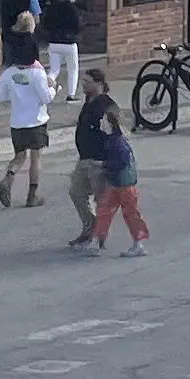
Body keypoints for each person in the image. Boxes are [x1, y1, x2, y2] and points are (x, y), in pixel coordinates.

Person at [0, 15, 54, 208]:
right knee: (36, 157)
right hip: (36, 120)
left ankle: (8, 177)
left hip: (17, 121)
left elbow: (0, 97)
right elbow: (46, 98)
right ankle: (32, 195)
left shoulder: (9, 73)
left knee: (20, 156)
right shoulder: (37, 73)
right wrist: (54, 88)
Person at [66, 69, 119, 249]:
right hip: (84, 159)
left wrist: (110, 161)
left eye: (87, 82)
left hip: (99, 161)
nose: (83, 84)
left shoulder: (107, 105)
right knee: (77, 193)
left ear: (99, 84)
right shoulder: (89, 101)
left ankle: (100, 236)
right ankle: (90, 227)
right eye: (83, 81)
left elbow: (115, 135)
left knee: (101, 199)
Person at [85, 108, 149, 258]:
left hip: (123, 185)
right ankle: (98, 241)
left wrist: (104, 165)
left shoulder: (116, 142)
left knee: (128, 214)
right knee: (105, 211)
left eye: (104, 120)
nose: (101, 122)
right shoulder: (115, 140)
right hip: (119, 184)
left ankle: (137, 243)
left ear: (110, 124)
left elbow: (122, 161)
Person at [42, 0, 83, 103]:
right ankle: (71, 95)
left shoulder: (52, 8)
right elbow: (77, 25)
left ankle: (45, 88)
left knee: (54, 70)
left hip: (54, 42)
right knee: (73, 69)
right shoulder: (73, 9)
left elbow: (46, 24)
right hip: (69, 43)